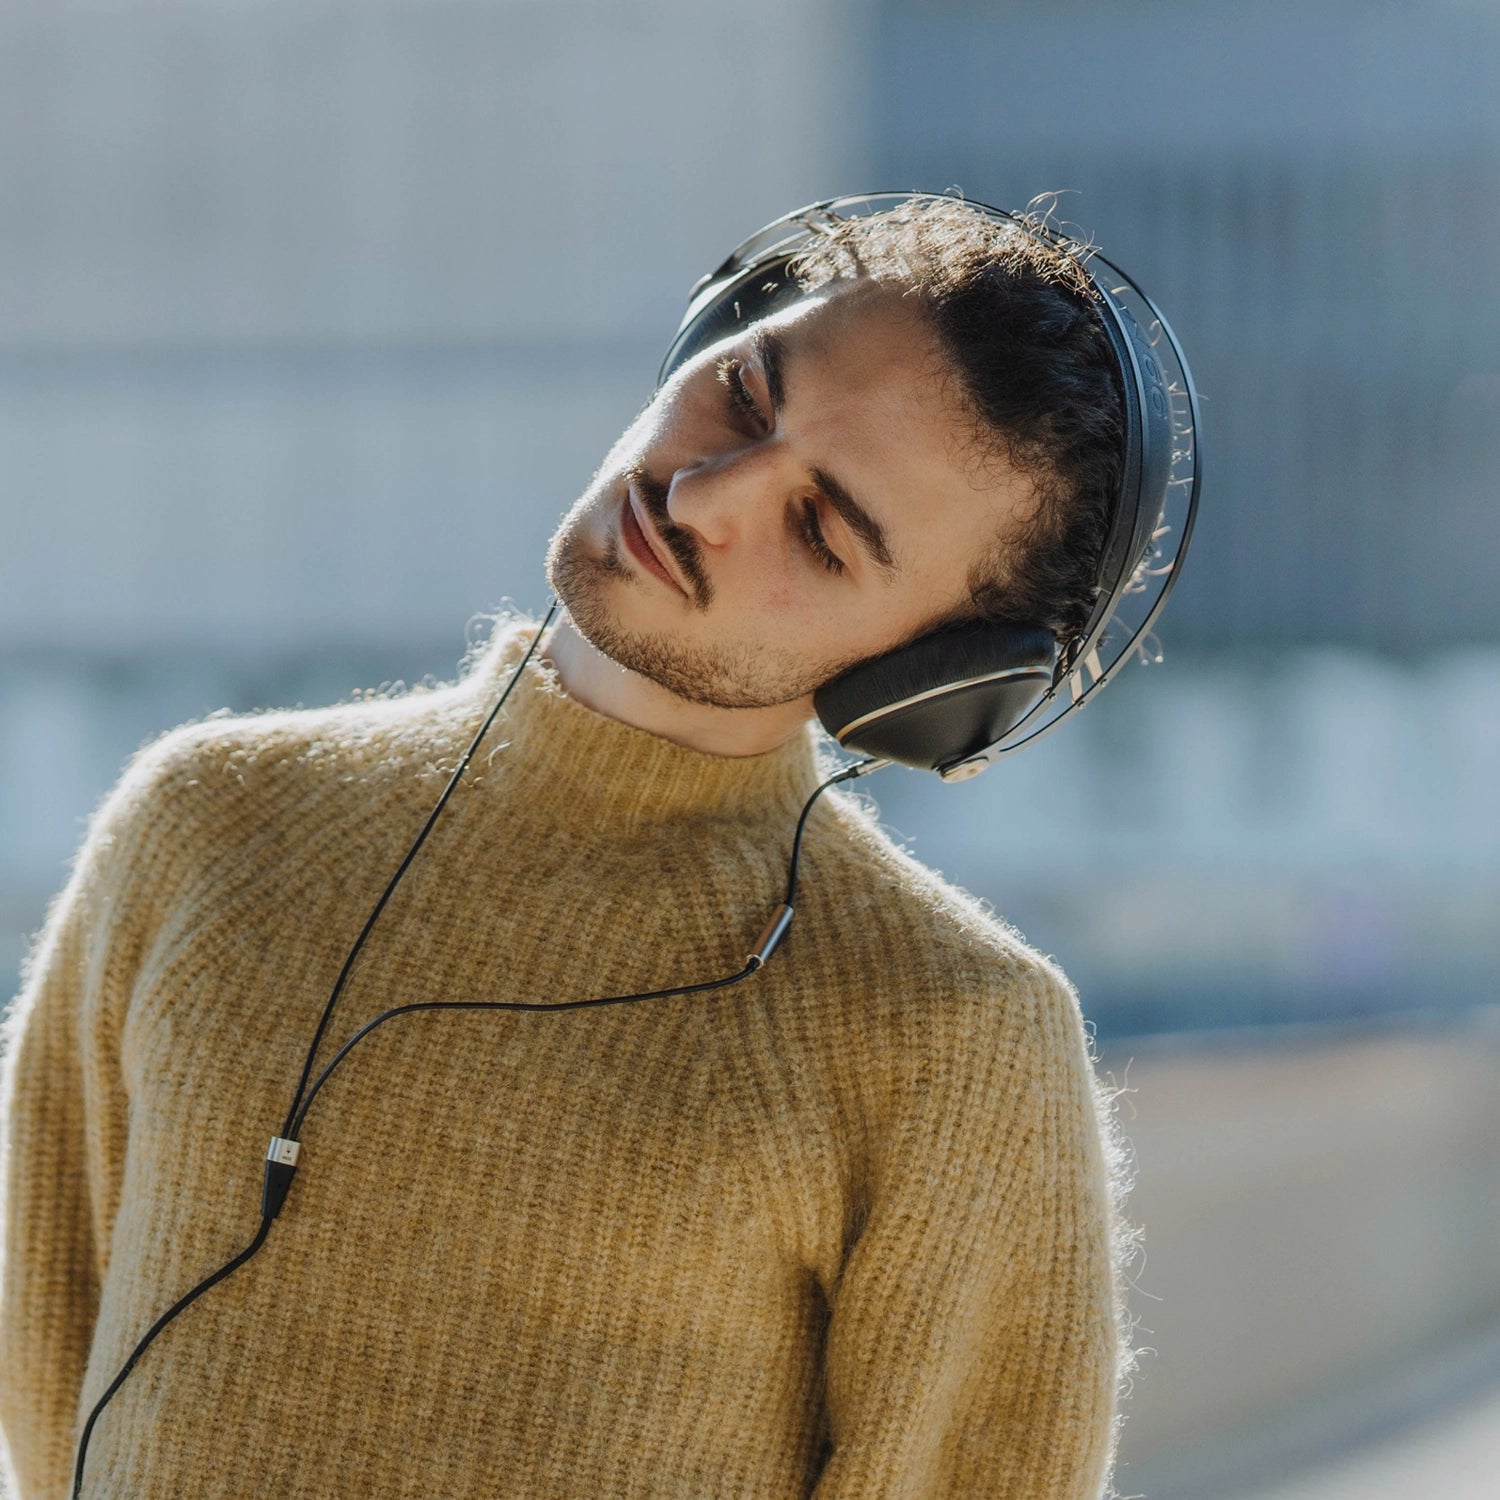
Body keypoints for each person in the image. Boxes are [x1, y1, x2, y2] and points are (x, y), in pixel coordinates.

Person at [1, 196, 1138, 1499]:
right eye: (746, 396)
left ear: (933, 682)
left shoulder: (954, 1035)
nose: (703, 494)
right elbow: (51, 1372)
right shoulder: (205, 822)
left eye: (821, 532)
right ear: (707, 335)